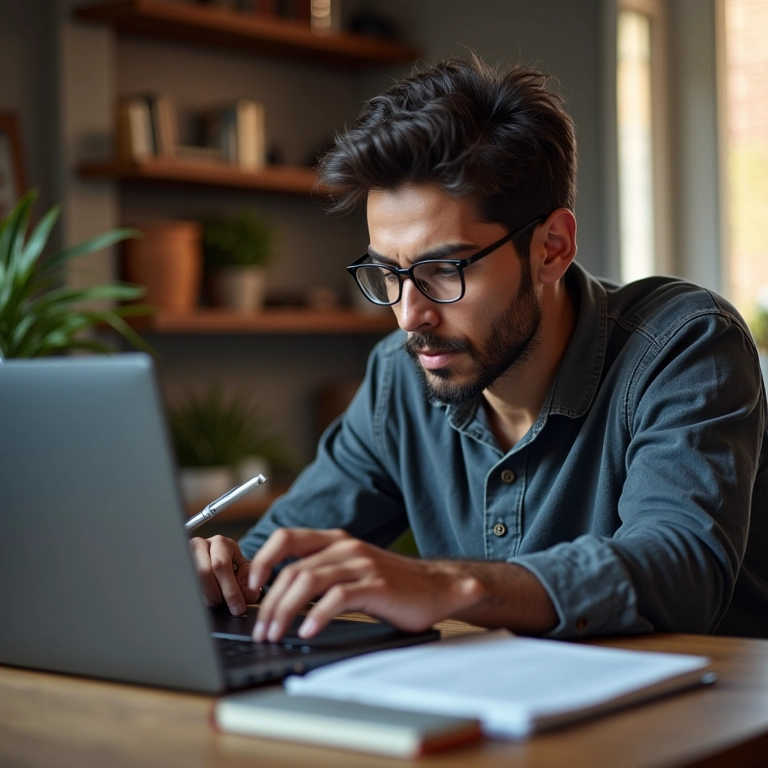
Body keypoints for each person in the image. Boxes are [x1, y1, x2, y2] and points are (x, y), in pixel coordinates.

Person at [190, 56, 768, 642]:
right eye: (386, 273)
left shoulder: (683, 345)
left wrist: (448, 585)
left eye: (443, 269)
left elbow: (681, 567)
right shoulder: (400, 377)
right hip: (499, 719)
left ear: (552, 248)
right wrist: (222, 573)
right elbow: (274, 560)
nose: (409, 315)